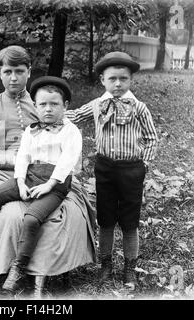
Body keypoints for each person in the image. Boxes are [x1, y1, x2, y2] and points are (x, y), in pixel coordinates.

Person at [0, 45, 96, 296]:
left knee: (67, 212)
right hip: (4, 177)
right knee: (11, 215)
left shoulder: (41, 100)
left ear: (29, 71)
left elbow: (67, 133)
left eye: (20, 71)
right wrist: (22, 160)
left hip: (49, 176)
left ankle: (49, 267)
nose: (14, 78)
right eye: (8, 71)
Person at [65, 51, 158, 287]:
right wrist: (49, 111)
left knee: (129, 221)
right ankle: (105, 265)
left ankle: (129, 267)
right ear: (102, 80)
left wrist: (143, 165)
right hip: (105, 169)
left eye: (124, 79)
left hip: (131, 170)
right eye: (112, 78)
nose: (118, 84)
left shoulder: (139, 107)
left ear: (131, 80)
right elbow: (75, 115)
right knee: (105, 219)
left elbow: (151, 138)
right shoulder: (97, 105)